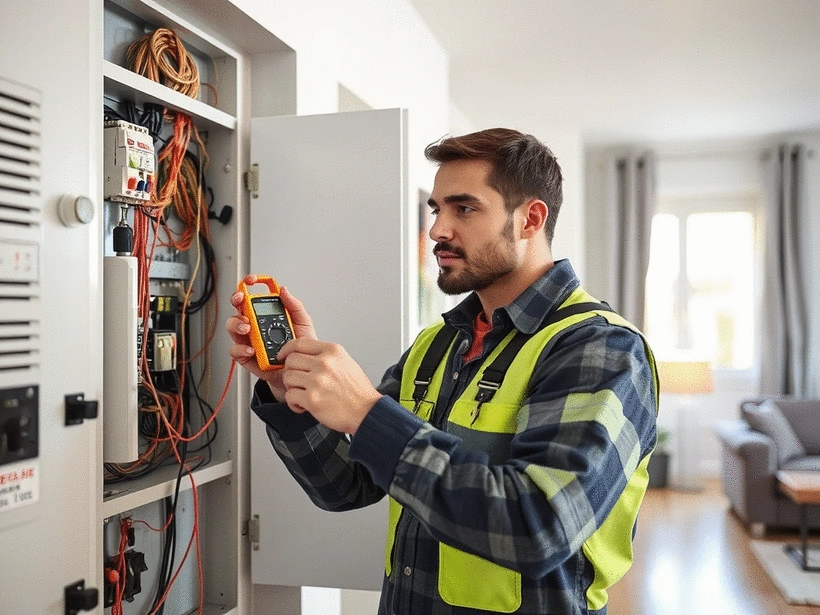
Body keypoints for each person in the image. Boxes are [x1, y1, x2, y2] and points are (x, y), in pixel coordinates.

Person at [226, 128, 659, 615]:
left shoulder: (601, 348)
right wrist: (291, 396)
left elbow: (541, 525)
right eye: (436, 209)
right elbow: (344, 486)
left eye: (464, 208)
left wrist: (368, 414)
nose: (436, 230)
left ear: (529, 219)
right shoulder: (438, 345)